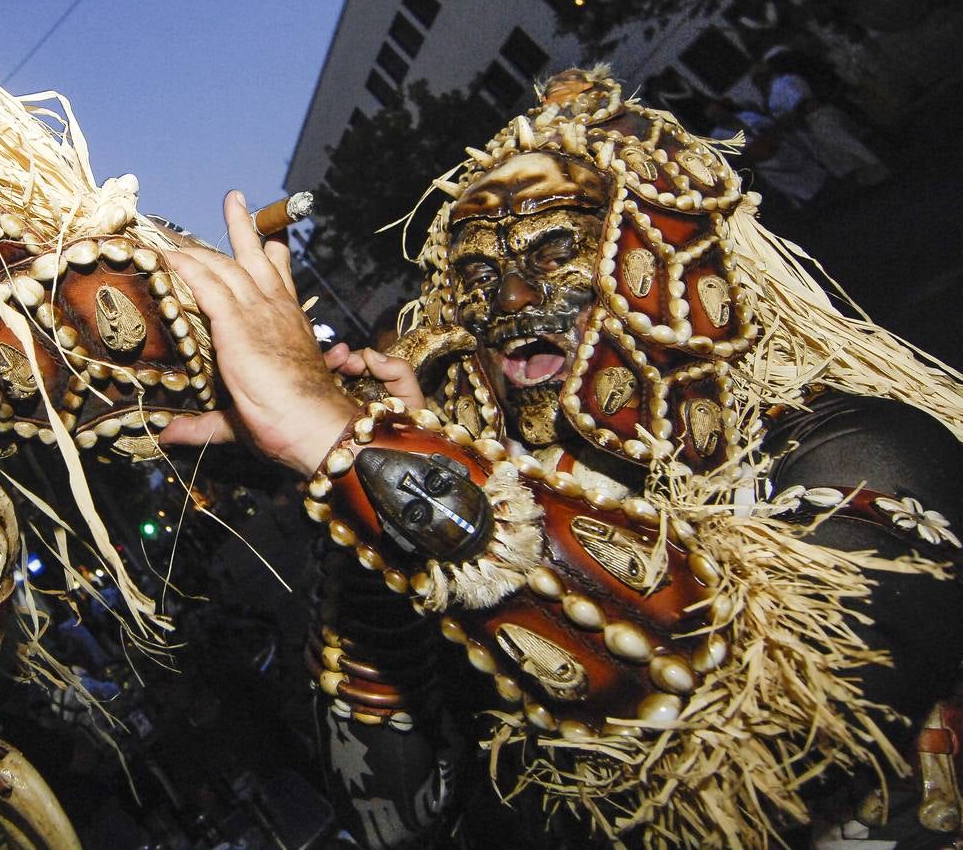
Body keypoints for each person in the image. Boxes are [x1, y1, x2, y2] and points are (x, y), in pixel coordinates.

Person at [161, 67, 963, 847]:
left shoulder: (859, 448)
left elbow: (773, 755)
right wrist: (365, 489)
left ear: (664, 260)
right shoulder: (501, 497)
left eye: (551, 252)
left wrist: (336, 434)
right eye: (478, 274)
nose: (509, 301)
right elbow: (396, 822)